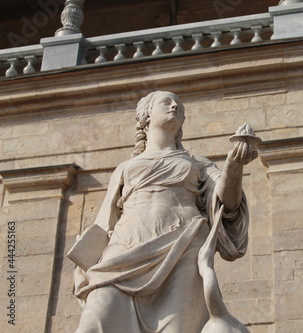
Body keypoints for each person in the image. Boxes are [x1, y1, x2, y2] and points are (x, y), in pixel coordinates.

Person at [68, 91, 258, 333]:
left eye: (178, 105)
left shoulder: (198, 164)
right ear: (146, 116)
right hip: (123, 249)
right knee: (96, 320)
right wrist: (85, 264)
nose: (174, 107)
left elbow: (227, 202)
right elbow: (105, 221)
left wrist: (234, 165)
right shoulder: (125, 167)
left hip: (183, 245)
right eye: (166, 103)